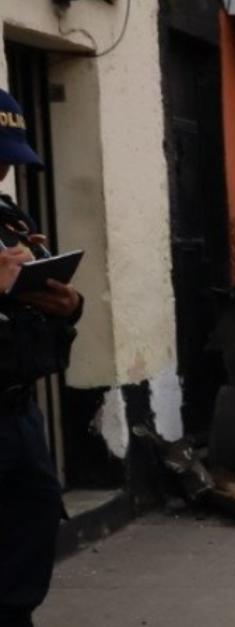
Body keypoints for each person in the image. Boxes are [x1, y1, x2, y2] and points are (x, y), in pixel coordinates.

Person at [0, 88, 83, 627]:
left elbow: (43, 308)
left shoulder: (7, 216)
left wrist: (68, 304)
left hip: (15, 410)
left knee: (32, 520)